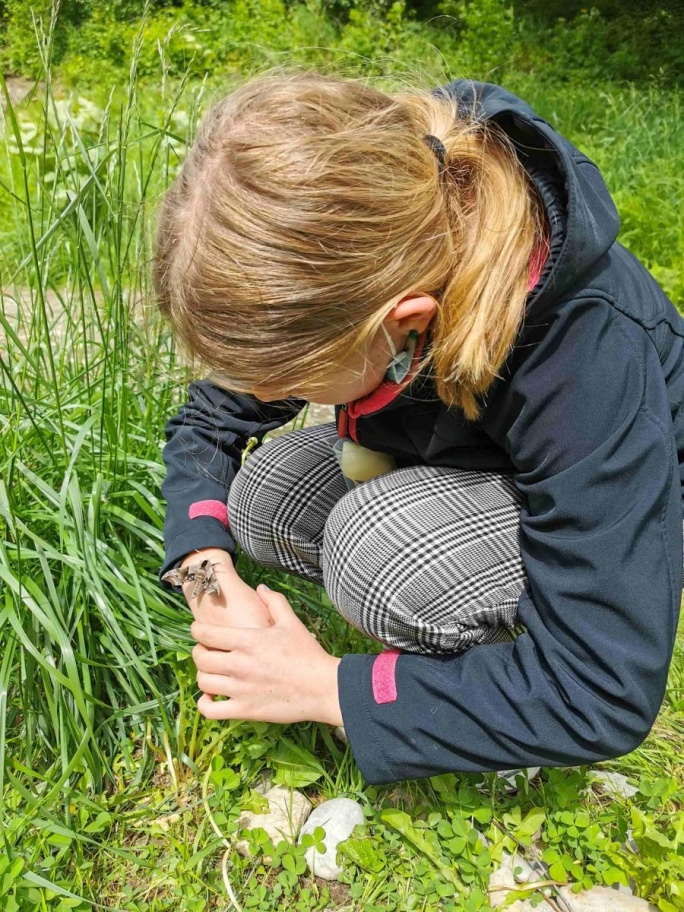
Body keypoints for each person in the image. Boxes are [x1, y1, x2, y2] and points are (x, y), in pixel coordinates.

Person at [152, 70, 684, 786]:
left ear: (404, 321)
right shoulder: (384, 230)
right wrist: (205, 577)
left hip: (627, 502)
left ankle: (469, 681)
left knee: (377, 553)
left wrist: (324, 687)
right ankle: (436, 603)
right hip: (476, 446)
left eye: (292, 378)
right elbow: (211, 423)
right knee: (262, 499)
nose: (267, 396)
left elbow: (602, 689)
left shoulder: (583, 349)